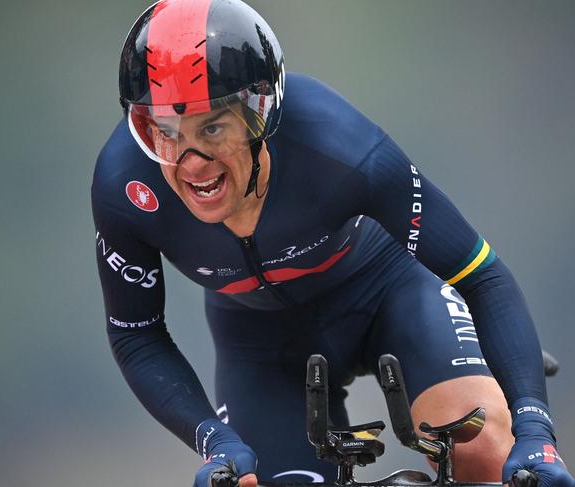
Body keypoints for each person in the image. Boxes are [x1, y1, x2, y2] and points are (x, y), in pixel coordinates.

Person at [92, 1, 573, 486]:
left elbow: (482, 276)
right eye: (165, 134)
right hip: (260, 348)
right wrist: (214, 439)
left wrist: (535, 428)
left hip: (390, 294)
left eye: (212, 127)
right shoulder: (124, 185)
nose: (191, 163)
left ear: (262, 113)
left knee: (487, 454)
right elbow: (136, 332)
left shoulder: (336, 143)